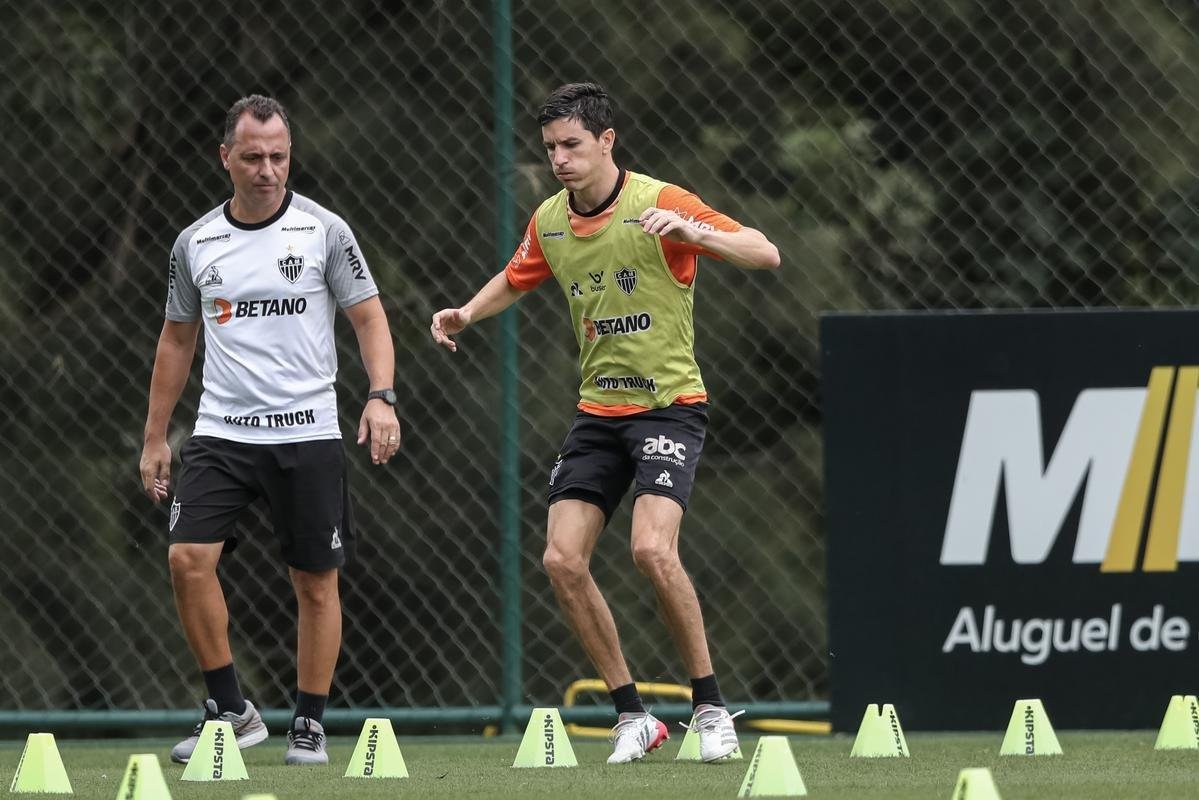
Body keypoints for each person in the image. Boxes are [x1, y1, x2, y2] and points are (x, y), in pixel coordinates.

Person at [431, 82, 780, 764]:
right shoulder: (551, 220)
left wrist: (695, 233)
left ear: (606, 141)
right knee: (561, 560)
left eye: (572, 145)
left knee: (650, 550)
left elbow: (763, 251)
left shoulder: (659, 204)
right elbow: (518, 273)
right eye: (550, 148)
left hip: (668, 407)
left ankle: (709, 708)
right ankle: (633, 717)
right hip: (597, 414)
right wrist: (467, 313)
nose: (560, 159)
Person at [139, 94, 401, 767]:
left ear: (290, 157)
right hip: (221, 432)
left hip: (307, 432)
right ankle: (230, 709)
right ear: (225, 157)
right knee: (186, 560)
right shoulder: (195, 243)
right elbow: (175, 341)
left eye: (278, 156)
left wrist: (380, 397)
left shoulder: (324, 231)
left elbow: (369, 317)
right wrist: (154, 438)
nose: (266, 169)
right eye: (252, 156)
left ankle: (308, 723)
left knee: (315, 582)